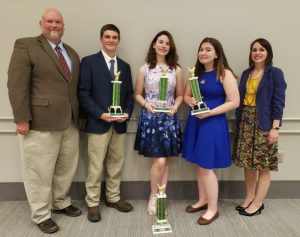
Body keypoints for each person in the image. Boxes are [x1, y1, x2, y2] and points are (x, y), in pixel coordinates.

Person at [7, 8, 81, 234]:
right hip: (39, 122)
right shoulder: (26, 45)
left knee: (65, 167)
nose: (54, 25)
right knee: (38, 171)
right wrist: (21, 118)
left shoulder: (71, 52)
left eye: (58, 22)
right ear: (41, 23)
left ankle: (60, 202)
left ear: (63, 26)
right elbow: (16, 84)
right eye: (50, 21)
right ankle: (41, 213)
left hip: (70, 121)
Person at [79, 24, 134, 222]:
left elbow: (129, 95)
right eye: (107, 37)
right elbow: (83, 94)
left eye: (115, 37)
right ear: (101, 39)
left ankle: (113, 197)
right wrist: (100, 114)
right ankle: (92, 202)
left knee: (116, 163)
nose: (111, 40)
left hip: (119, 124)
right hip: (98, 123)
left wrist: (126, 113)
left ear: (119, 40)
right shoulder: (89, 62)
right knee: (95, 166)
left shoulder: (125, 66)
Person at [183, 37, 239, 225]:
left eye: (208, 49)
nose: (203, 53)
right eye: (201, 49)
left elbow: (234, 102)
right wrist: (188, 101)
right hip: (196, 123)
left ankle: (213, 209)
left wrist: (209, 113)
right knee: (200, 166)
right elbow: (186, 95)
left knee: (206, 167)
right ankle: (203, 200)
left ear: (217, 54)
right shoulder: (196, 75)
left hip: (212, 123)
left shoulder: (224, 74)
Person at [233, 38, 287, 216]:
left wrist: (275, 127)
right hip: (246, 122)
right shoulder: (246, 73)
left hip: (264, 123)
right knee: (248, 164)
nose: (257, 52)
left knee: (263, 166)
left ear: (268, 53)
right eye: (254, 49)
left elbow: (278, 101)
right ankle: (249, 198)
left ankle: (258, 202)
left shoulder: (275, 73)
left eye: (261, 50)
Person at [134, 30, 183, 216]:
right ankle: (153, 195)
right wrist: (147, 105)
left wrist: (176, 107)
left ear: (170, 47)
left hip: (169, 119)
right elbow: (137, 94)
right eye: (160, 42)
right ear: (154, 44)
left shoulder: (175, 69)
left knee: (166, 160)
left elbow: (179, 95)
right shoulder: (144, 69)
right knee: (160, 161)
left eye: (167, 43)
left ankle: (162, 194)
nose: (163, 45)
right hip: (152, 118)